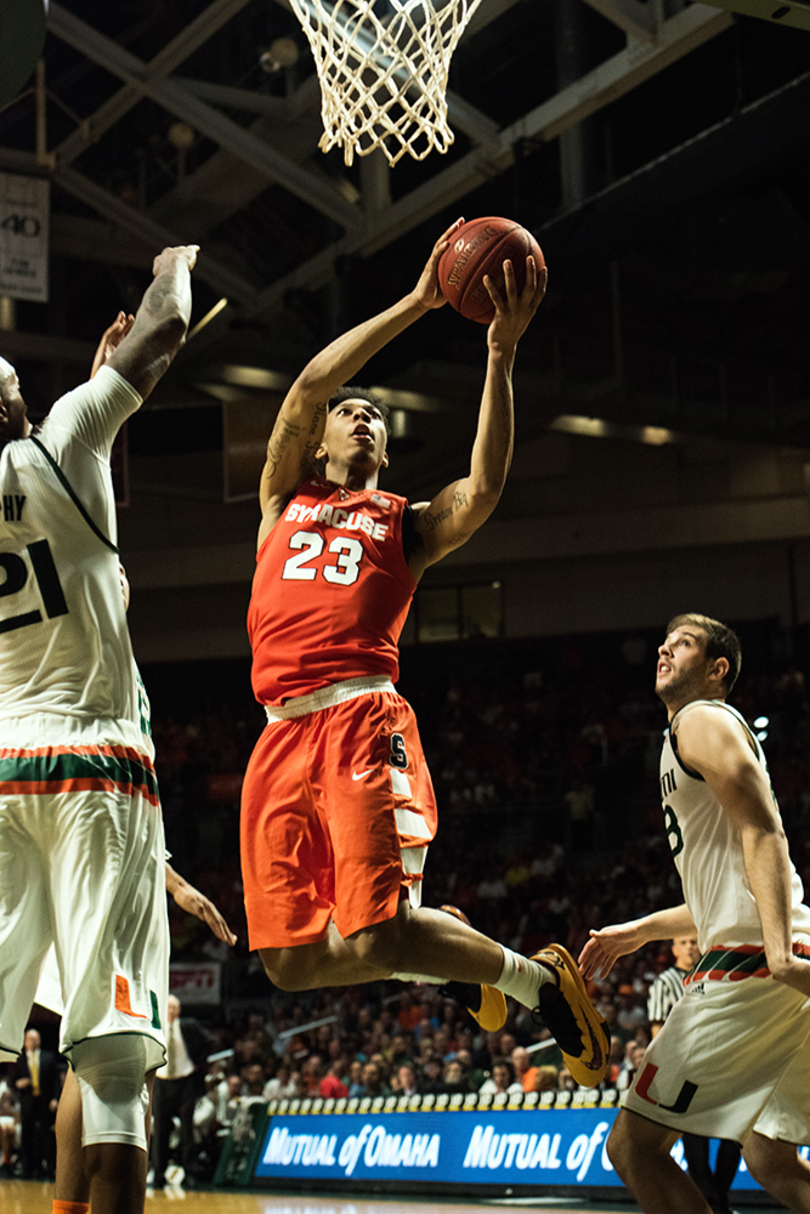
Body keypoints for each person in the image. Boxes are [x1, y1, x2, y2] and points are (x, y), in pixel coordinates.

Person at [239, 219, 607, 1090]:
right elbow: (307, 384)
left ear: (386, 448)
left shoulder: (403, 521)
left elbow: (483, 488)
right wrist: (418, 300)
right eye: (350, 413)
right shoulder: (280, 498)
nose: (363, 418)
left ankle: (530, 979)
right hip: (276, 733)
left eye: (377, 417)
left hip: (362, 723)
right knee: (288, 964)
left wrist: (499, 357)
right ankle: (448, 958)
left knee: (375, 934)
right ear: (322, 441)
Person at [0, 244, 197, 1214]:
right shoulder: (59, 440)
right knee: (114, 1066)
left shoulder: (61, 445)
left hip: (4, 771)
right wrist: (177, 260)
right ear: (10, 407)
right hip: (93, 770)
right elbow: (166, 327)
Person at [579, 612, 810, 1214]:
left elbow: (766, 831)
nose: (663, 649)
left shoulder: (698, 719)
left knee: (633, 1148)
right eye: (663, 641)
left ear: (716, 669)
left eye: (682, 644)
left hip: (756, 966)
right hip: (775, 956)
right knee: (768, 1155)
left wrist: (778, 952)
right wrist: (639, 930)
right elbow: (724, 894)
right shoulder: (691, 735)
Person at [648, 935, 742, 1214]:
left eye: (693, 941)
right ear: (674, 949)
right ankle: (715, 1205)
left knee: (734, 1136)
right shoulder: (664, 982)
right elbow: (657, 1032)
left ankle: (717, 1202)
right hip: (684, 1070)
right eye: (684, 942)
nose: (690, 946)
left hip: (720, 1065)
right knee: (695, 1147)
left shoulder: (714, 974)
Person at [150, 994, 211, 1190]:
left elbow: (209, 1041)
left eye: (174, 1007)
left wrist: (197, 1064)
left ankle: (190, 1172)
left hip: (185, 1081)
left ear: (179, 1010)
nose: (171, 1011)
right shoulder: (154, 1027)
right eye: (168, 1007)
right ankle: (158, 1174)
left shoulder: (188, 1026)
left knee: (187, 1129)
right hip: (161, 1081)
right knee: (160, 1129)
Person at [11, 1027, 62, 1178]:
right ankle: (27, 1167)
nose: (32, 1042)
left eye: (35, 1039)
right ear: (25, 1041)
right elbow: (12, 1081)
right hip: (27, 1102)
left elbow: (55, 1082)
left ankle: (45, 1166)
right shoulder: (19, 1059)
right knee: (27, 1135)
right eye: (29, 1039)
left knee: (45, 1134)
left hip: (44, 1102)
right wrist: (19, 1084)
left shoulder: (49, 1057)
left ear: (39, 1040)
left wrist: (55, 1098)